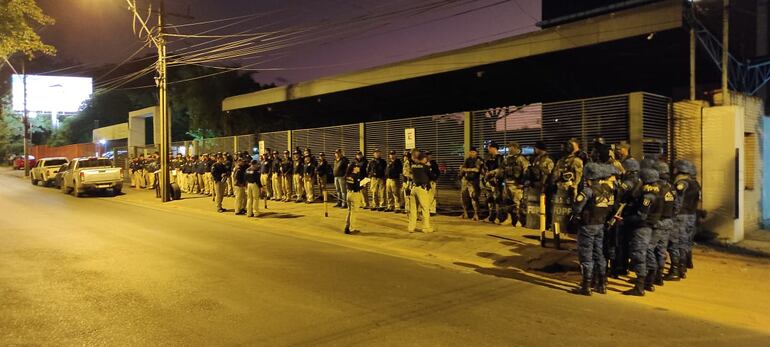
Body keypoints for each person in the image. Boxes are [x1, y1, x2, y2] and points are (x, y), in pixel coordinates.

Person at [571, 163, 614, 296]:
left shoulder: (587, 191)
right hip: (600, 226)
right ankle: (602, 284)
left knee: (586, 256)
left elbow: (577, 208)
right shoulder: (606, 191)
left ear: (588, 178)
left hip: (587, 226)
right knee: (599, 254)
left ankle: (586, 286)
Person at [623, 168, 661, 296]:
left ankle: (639, 286)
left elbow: (641, 216)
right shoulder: (658, 192)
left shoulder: (647, 196)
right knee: (648, 253)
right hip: (652, 227)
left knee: (639, 255)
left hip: (642, 228)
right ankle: (649, 281)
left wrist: (625, 220)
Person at [665, 159, 701, 281]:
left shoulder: (681, 183)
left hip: (680, 217)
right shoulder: (695, 183)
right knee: (685, 242)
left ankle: (675, 270)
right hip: (691, 215)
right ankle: (682, 267)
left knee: (674, 243)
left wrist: (672, 214)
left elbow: (678, 202)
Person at [610, 158, 642, 277]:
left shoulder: (627, 183)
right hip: (634, 216)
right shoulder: (640, 180)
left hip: (623, 215)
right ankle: (626, 266)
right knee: (628, 242)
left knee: (619, 243)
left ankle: (619, 268)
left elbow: (618, 198)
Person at [648, 160, 676, 287]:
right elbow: (676, 206)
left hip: (657, 222)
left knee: (649, 248)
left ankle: (650, 276)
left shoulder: (656, 188)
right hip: (668, 222)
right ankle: (659, 276)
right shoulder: (671, 188)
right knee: (661, 250)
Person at [407, 149, 435, 233]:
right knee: (425, 208)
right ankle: (426, 227)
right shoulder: (425, 167)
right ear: (423, 159)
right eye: (425, 158)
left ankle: (411, 227)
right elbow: (432, 176)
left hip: (413, 189)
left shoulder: (413, 166)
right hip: (421, 189)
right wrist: (429, 167)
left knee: (413, 209)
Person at [502, 142, 529, 227]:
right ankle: (509, 219)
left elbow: (526, 170)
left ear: (516, 148)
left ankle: (519, 221)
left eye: (511, 147)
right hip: (507, 183)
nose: (509, 149)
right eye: (509, 147)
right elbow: (502, 169)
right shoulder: (506, 158)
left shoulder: (521, 158)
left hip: (516, 184)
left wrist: (522, 182)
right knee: (507, 202)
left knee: (518, 203)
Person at [459, 147, 483, 221]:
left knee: (474, 197)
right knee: (463, 197)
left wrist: (466, 169)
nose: (471, 153)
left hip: (474, 181)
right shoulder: (467, 160)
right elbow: (462, 168)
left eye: (473, 152)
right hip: (466, 180)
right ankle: (465, 213)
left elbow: (477, 170)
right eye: (471, 152)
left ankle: (476, 214)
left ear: (476, 153)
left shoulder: (479, 160)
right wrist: (470, 169)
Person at [483, 141, 504, 223]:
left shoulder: (500, 158)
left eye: (489, 147)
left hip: (496, 182)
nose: (488, 149)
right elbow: (487, 168)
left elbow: (501, 169)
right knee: (490, 199)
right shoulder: (490, 158)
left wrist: (493, 173)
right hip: (489, 181)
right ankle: (491, 216)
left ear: (493, 148)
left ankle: (499, 217)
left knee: (497, 200)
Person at [344, 159, 366, 234]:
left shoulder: (348, 175)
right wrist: (363, 185)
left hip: (349, 194)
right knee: (354, 212)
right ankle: (351, 229)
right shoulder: (355, 176)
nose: (359, 168)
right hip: (354, 195)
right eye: (357, 167)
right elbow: (357, 187)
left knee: (349, 211)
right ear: (354, 168)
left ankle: (347, 226)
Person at [426, 150, 440, 215]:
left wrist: (435, 178)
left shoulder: (433, 163)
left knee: (432, 196)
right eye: (427, 155)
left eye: (429, 155)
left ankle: (432, 210)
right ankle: (426, 209)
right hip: (425, 182)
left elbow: (438, 172)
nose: (428, 156)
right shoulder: (423, 163)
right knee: (426, 196)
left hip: (432, 181)